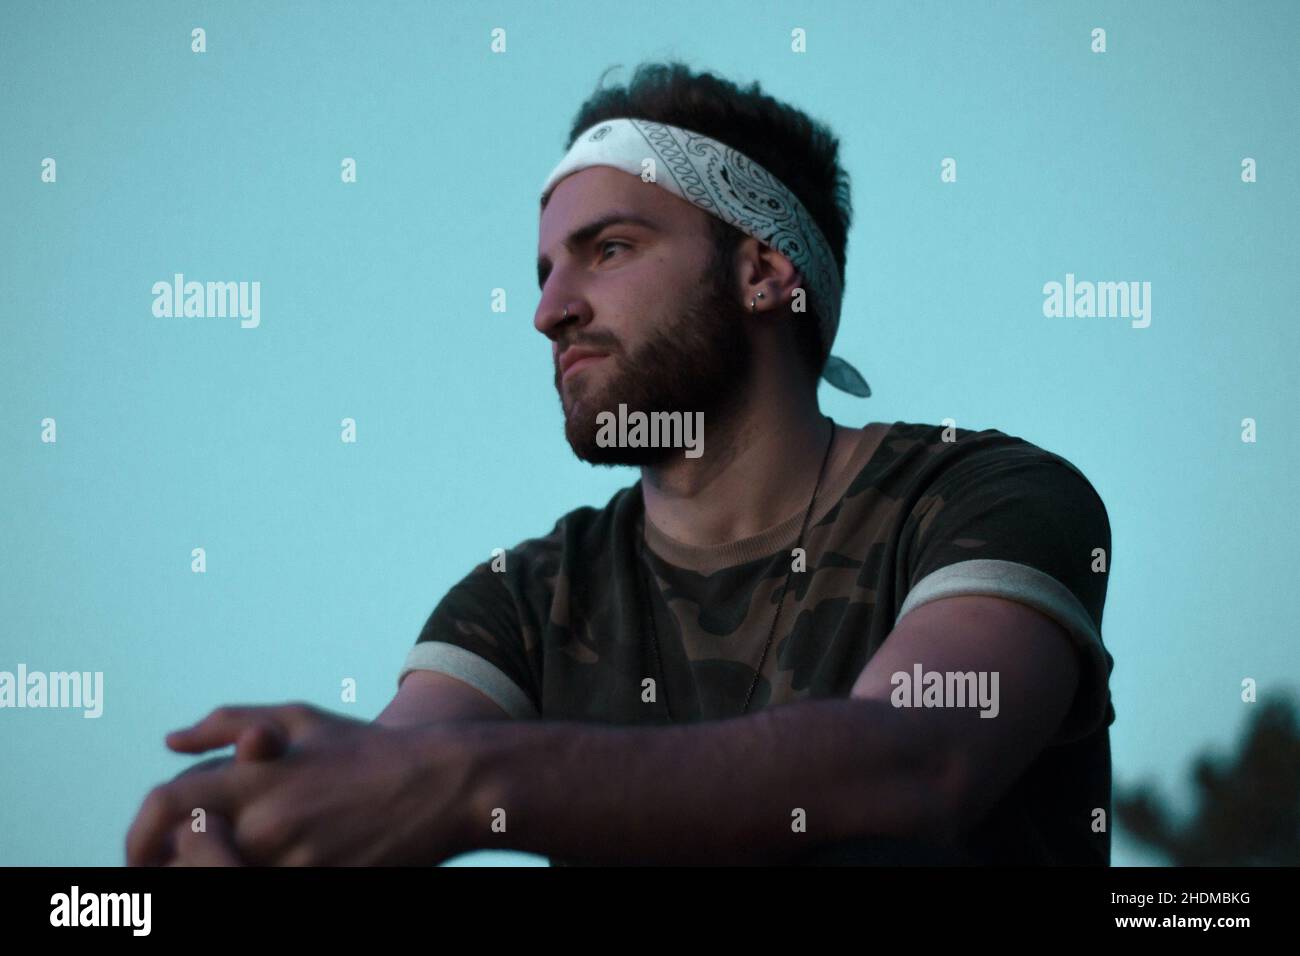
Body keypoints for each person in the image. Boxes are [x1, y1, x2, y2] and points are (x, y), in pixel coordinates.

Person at [126, 61, 1115, 867]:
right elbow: (394, 768)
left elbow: (916, 763)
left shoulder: (981, 496)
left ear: (764, 272)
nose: (549, 309)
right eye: (546, 270)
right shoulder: (524, 597)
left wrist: (468, 784)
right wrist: (246, 813)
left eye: (608, 249)